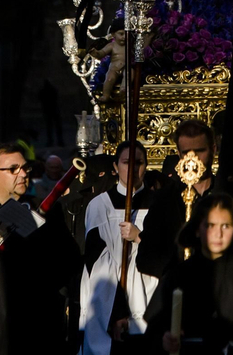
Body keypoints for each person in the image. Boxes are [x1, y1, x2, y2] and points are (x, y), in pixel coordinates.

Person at [143, 193, 233, 354]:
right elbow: (154, 333)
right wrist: (165, 340)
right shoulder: (179, 275)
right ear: (197, 229)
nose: (218, 234)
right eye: (210, 225)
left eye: (226, 226)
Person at [0, 142, 81, 352]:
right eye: (13, 169)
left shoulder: (45, 209)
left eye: (25, 168)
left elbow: (69, 260)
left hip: (35, 324)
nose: (23, 174)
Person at [81, 140, 159, 355]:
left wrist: (138, 237)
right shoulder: (100, 206)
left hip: (151, 298)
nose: (133, 169)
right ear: (115, 167)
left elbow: (164, 254)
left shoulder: (159, 203)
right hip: (112, 304)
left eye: (139, 163)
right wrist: (117, 313)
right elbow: (97, 267)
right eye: (126, 162)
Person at [137, 120, 225, 280]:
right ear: (179, 154)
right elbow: (146, 257)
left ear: (213, 150)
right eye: (186, 153)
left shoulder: (227, 196)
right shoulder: (164, 199)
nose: (193, 159)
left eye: (200, 151)